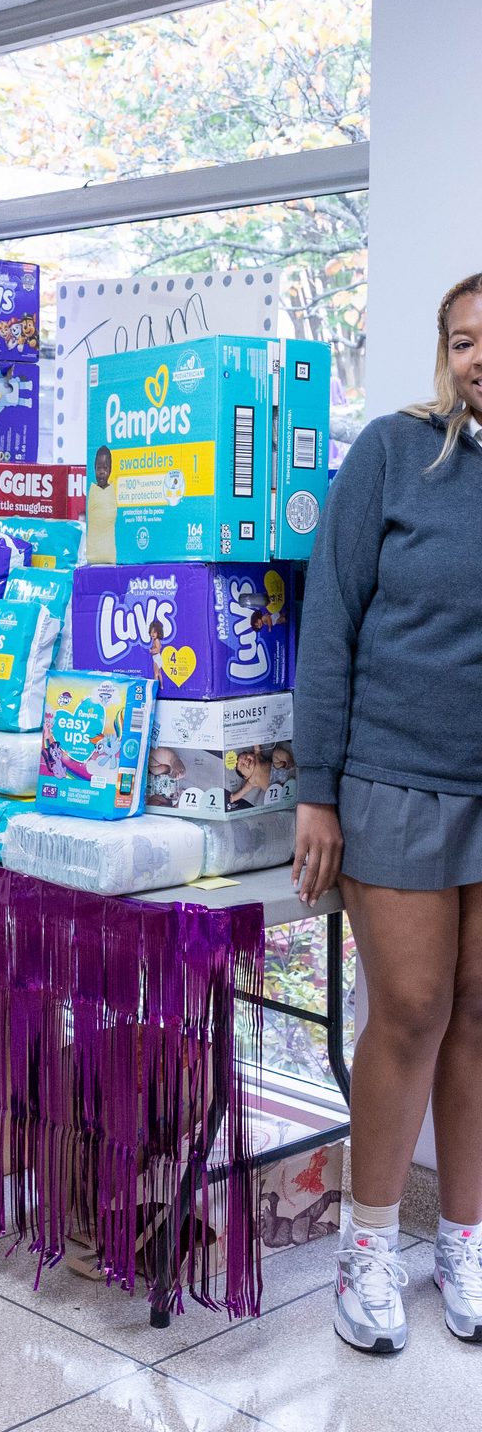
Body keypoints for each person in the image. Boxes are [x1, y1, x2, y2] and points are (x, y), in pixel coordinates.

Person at [294, 272, 482, 1355]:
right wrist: (316, 787)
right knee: (408, 1009)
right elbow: (331, 620)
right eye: (461, 341)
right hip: (394, 779)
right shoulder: (392, 452)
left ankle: (462, 1238)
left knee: (478, 1013)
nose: (474, 357)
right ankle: (366, 1249)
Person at [85, 444, 117, 565]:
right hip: (92, 556)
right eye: (99, 468)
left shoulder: (113, 491)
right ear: (94, 468)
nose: (102, 472)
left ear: (111, 469)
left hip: (110, 556)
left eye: (105, 468)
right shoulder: (91, 491)